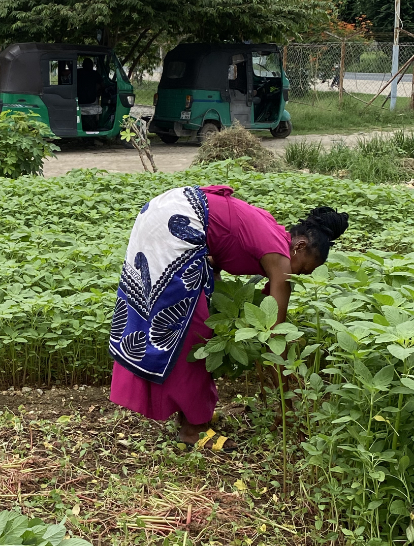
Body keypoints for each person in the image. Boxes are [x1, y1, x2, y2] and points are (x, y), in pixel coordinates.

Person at [109, 184, 349, 450]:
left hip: (166, 211)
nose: (296, 276)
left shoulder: (272, 229)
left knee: (193, 322)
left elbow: (219, 246)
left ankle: (191, 412)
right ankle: (194, 429)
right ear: (299, 246)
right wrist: (286, 406)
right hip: (174, 223)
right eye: (303, 269)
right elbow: (275, 334)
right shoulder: (279, 257)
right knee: (194, 333)